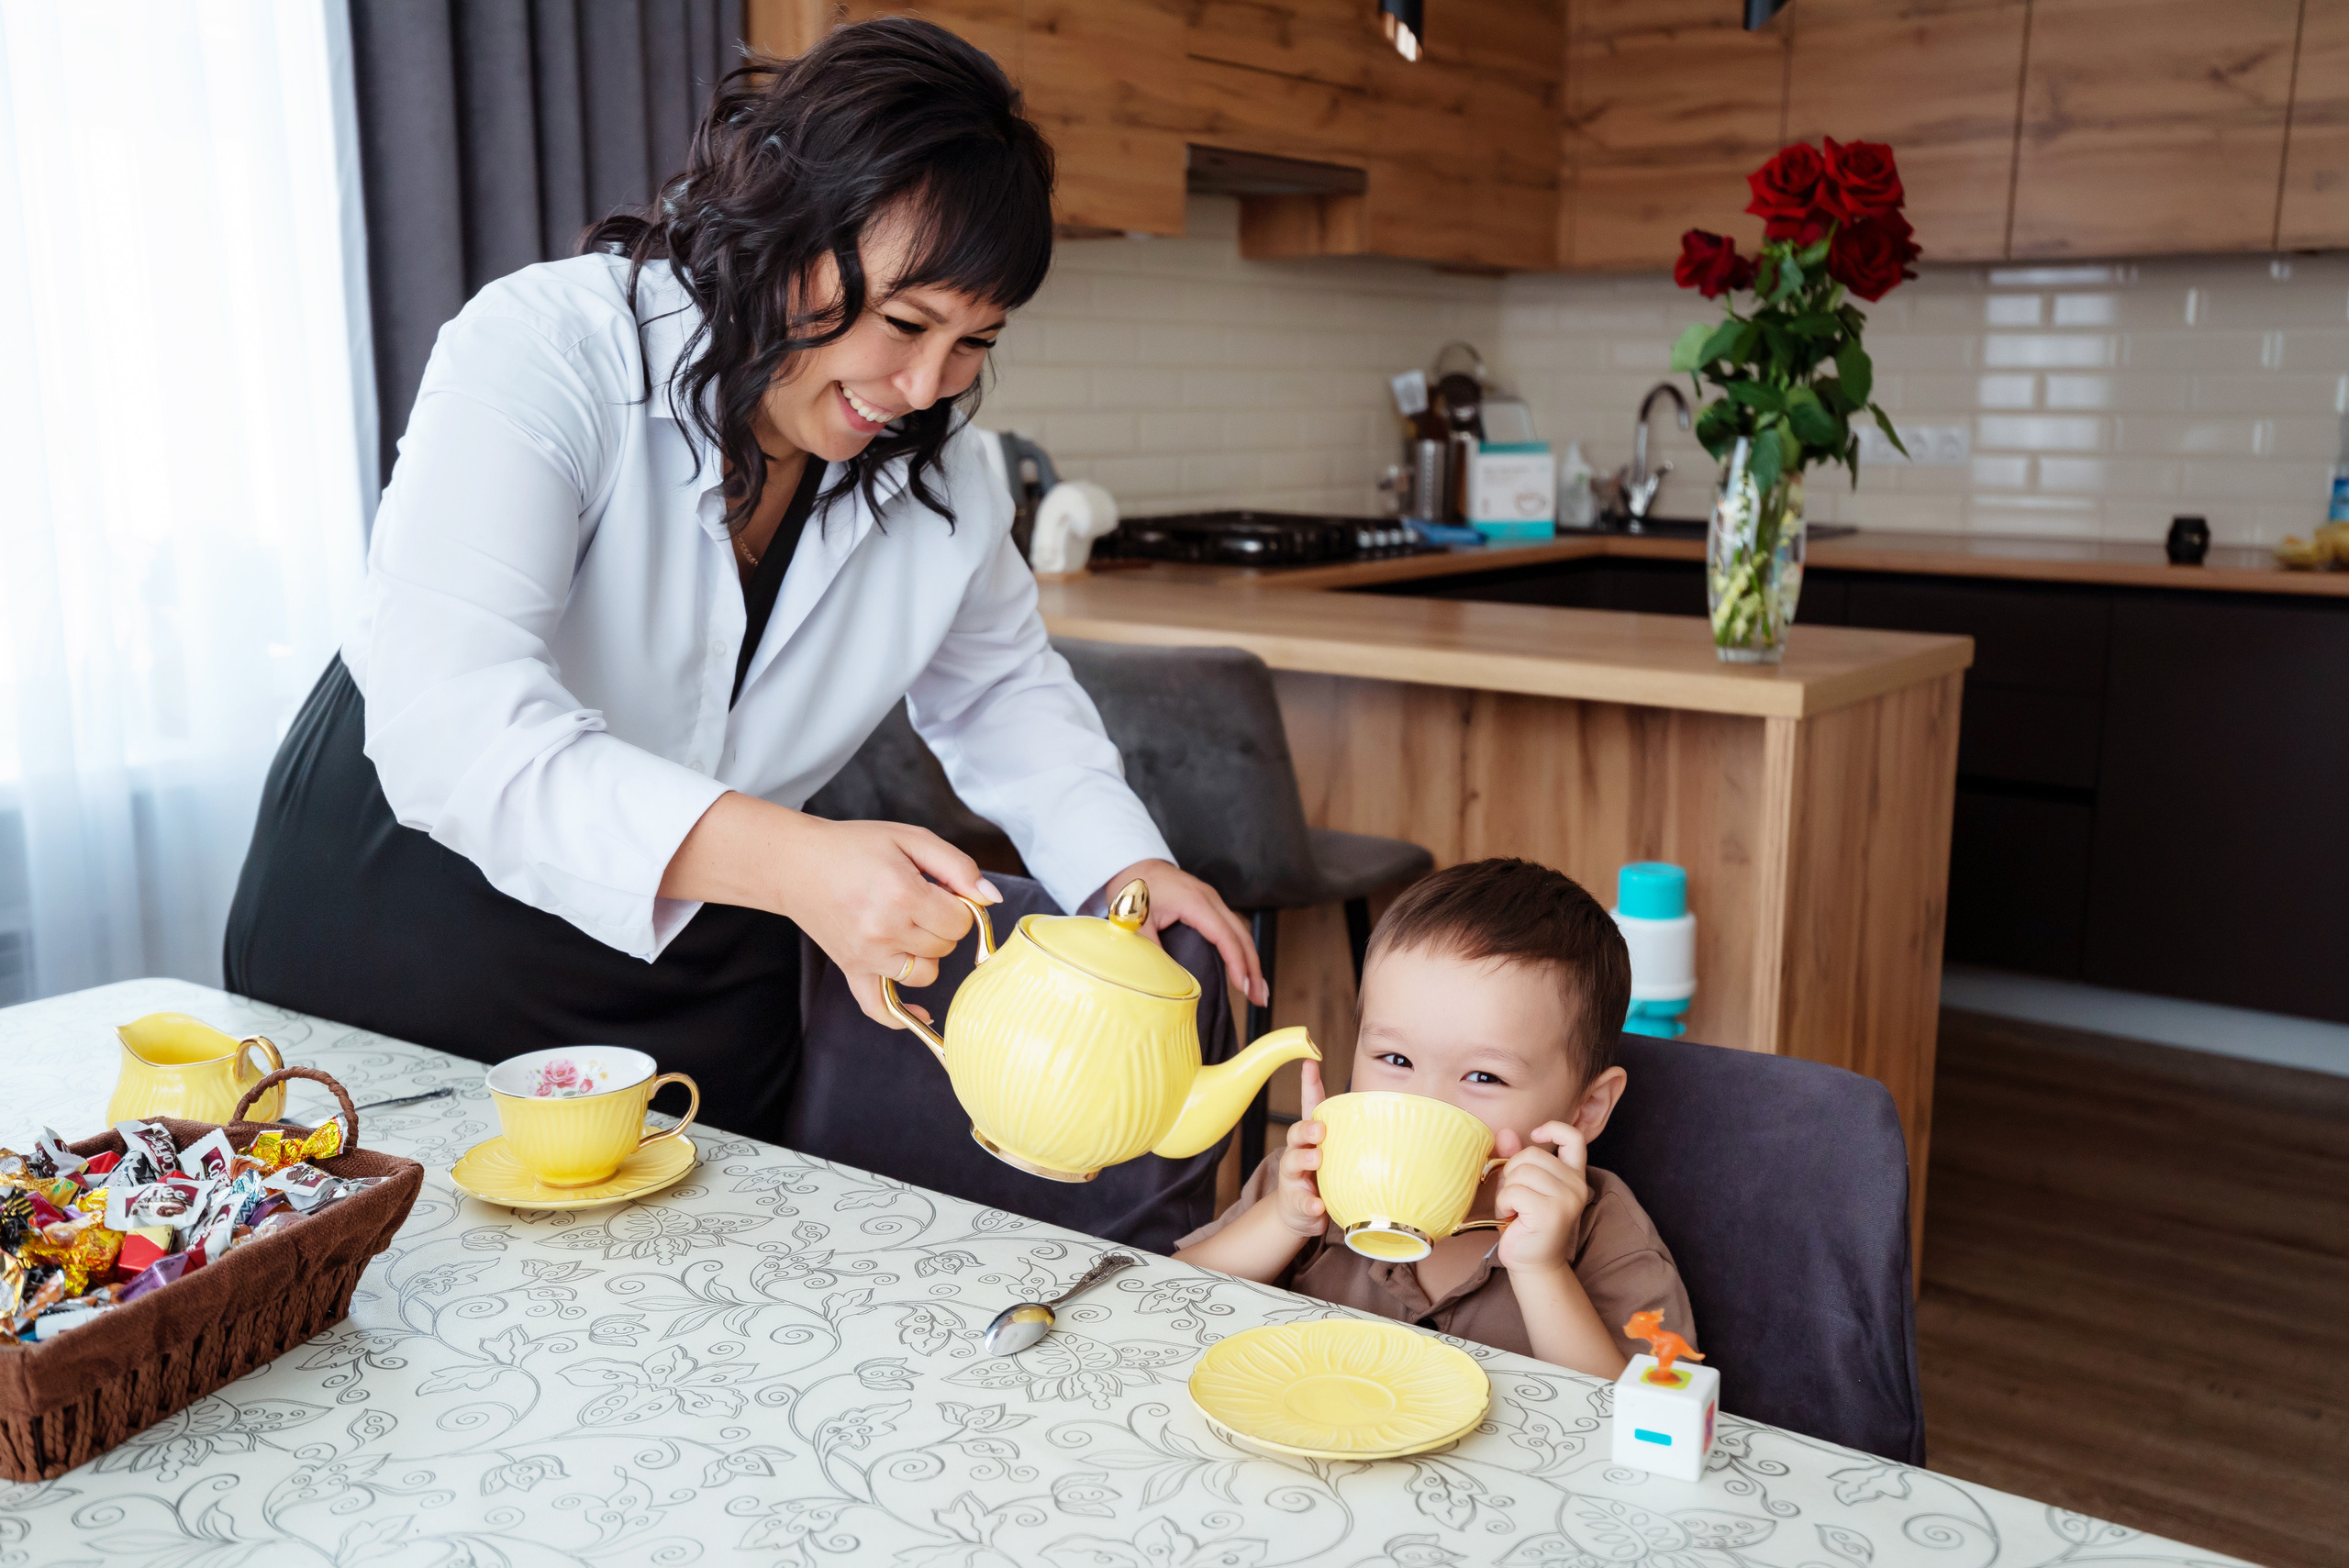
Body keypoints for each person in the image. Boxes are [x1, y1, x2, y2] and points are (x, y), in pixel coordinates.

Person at [222, 17, 1261, 1144]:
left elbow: (1003, 696)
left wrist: (1123, 869)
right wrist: (802, 864)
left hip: (708, 934)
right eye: (904, 322)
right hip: (411, 901)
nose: (925, 385)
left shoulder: (944, 472)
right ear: (786, 225)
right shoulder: (550, 347)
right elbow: (452, 725)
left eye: (974, 341)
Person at [1174, 859, 1692, 1377]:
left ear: (1587, 1109)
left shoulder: (1606, 1236)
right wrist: (1285, 1221)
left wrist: (1542, 1268)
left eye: (1484, 1076)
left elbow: (1650, 1415)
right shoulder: (1303, 1182)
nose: (1426, 1104)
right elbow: (1162, 1301)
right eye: (1396, 1060)